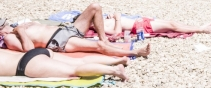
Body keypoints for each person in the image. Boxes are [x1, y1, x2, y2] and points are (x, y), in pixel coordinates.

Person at [0, 3, 150, 58]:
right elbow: (29, 51)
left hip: (67, 29)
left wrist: (27, 25)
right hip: (59, 41)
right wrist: (21, 31)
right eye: (3, 26)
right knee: (98, 47)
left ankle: (103, 38)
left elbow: (39, 24)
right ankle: (136, 52)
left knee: (95, 7)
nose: (7, 25)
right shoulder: (9, 37)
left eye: (5, 22)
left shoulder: (18, 27)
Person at [0, 47, 128, 81]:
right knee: (79, 61)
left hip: (27, 64)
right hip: (34, 53)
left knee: (75, 70)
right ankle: (118, 60)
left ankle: (115, 71)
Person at [97, 12, 211, 37]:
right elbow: (117, 33)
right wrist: (117, 18)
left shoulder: (102, 20)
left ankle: (199, 27)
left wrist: (111, 16)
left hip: (142, 21)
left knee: (172, 23)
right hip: (140, 27)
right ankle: (201, 29)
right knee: (172, 27)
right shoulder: (100, 27)